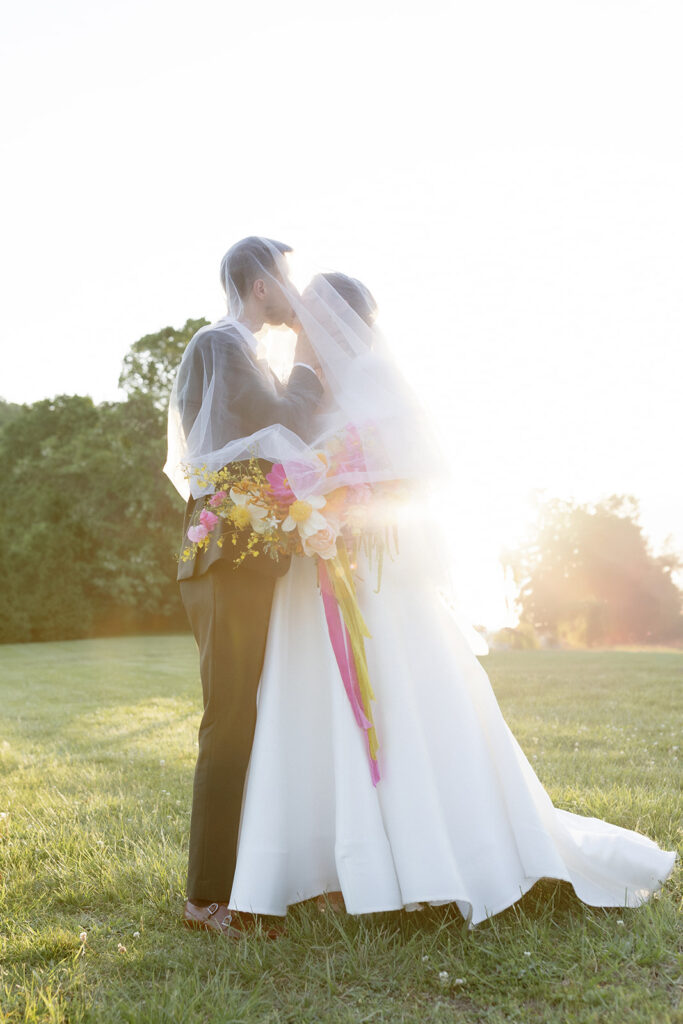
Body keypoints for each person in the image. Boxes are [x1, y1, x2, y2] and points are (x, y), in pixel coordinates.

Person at [218, 272, 677, 930]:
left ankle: (428, 858)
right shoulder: (306, 385)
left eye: (308, 319)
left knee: (402, 701)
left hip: (372, 568)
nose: (296, 328)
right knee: (314, 707)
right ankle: (333, 868)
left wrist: (345, 512)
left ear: (338, 321)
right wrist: (299, 510)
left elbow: (408, 469)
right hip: (315, 565)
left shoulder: (374, 375)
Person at [164, 237, 323, 938]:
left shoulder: (239, 349)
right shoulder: (220, 343)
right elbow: (279, 419)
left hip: (247, 555)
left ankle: (256, 877)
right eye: (287, 278)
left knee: (254, 717)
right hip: (224, 559)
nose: (295, 292)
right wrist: (310, 367)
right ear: (259, 284)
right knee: (229, 719)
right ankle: (204, 899)